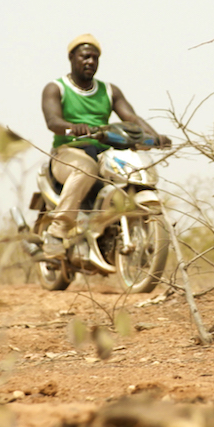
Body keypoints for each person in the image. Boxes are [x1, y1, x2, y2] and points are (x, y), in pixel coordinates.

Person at [40, 33, 169, 258]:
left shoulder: (110, 91)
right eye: (85, 56)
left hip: (103, 151)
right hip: (68, 153)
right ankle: (57, 231)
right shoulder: (56, 88)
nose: (90, 62)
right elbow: (53, 122)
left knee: (131, 169)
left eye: (95, 58)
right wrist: (73, 127)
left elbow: (131, 117)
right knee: (86, 168)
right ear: (71, 57)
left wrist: (155, 136)